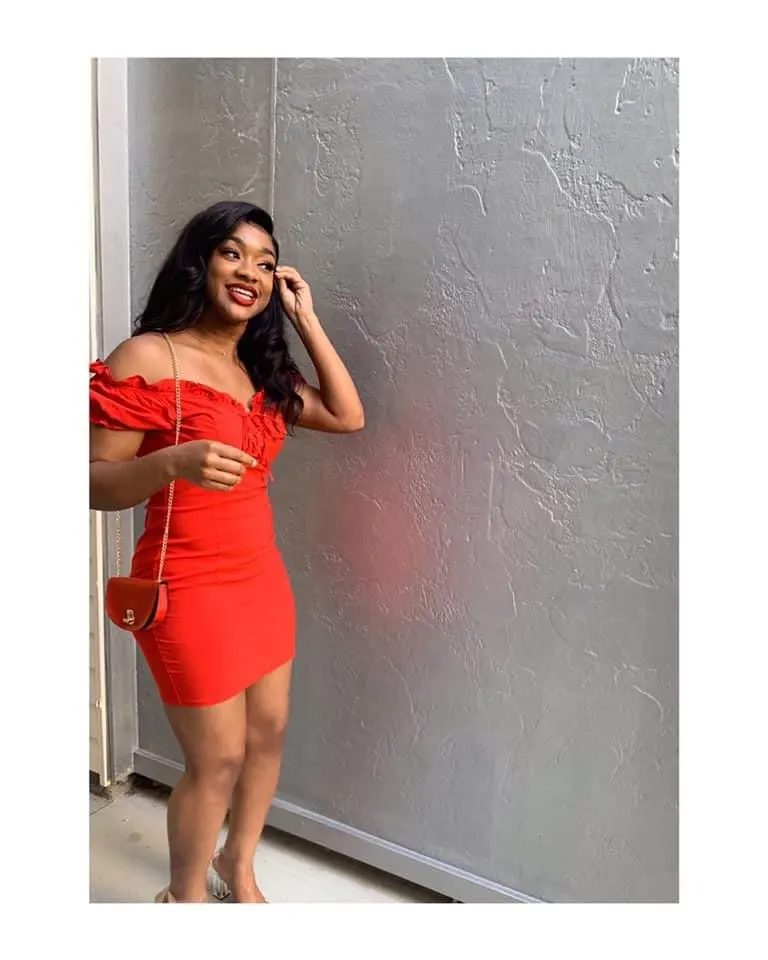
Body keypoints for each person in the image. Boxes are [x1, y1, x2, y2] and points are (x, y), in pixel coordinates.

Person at [89, 201, 364, 903]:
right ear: (201, 260)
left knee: (268, 736)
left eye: (266, 263)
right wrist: (171, 462)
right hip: (184, 584)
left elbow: (347, 415)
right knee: (217, 758)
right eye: (233, 253)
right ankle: (183, 898)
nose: (250, 272)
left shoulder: (257, 369)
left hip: (259, 577)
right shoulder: (150, 356)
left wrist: (306, 320)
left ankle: (235, 866)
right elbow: (92, 484)